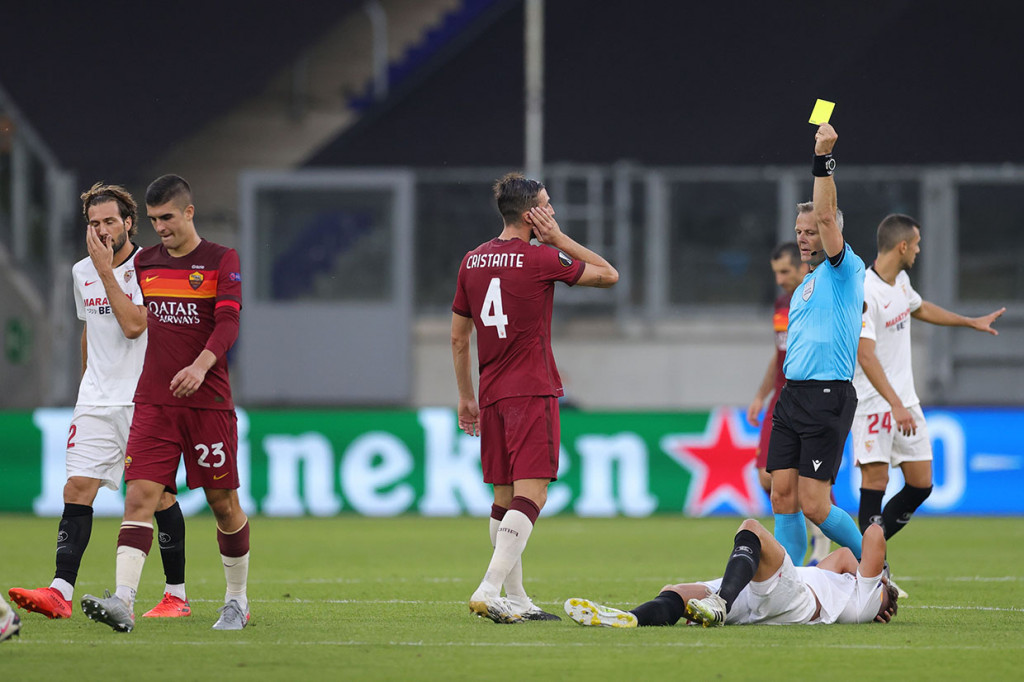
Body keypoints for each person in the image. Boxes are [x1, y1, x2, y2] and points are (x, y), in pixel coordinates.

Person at [8, 184, 190, 621]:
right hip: (97, 398)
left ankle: (175, 595)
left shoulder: (155, 268)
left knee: (158, 497)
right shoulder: (79, 272)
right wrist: (87, 382)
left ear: (130, 223)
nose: (103, 230)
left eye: (110, 221)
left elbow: (132, 327)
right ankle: (60, 590)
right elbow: (92, 327)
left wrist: (107, 271)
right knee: (77, 489)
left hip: (145, 399)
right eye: (94, 223)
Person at [81, 174, 248, 633]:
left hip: (207, 400)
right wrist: (105, 274)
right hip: (154, 401)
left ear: (189, 212)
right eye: (153, 220)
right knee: (140, 497)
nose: (161, 228)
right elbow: (133, 322)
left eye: (168, 218)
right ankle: (123, 601)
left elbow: (229, 322)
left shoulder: (220, 259)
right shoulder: (145, 263)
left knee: (222, 503)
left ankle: (236, 600)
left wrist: (200, 366)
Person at [452, 172, 619, 624]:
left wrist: (466, 397)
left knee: (503, 498)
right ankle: (488, 588)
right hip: (532, 388)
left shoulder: (471, 261)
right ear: (531, 215)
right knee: (534, 494)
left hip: (490, 394)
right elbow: (609, 275)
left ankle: (518, 598)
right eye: (547, 205)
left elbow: (459, 338)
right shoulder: (541, 258)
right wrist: (560, 237)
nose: (552, 210)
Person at [852, 214, 1005, 547]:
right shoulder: (865, 290)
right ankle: (866, 570)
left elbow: (919, 308)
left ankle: (864, 557)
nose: (919, 250)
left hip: (905, 401)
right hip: (875, 403)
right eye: (917, 244)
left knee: (921, 484)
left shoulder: (901, 282)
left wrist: (969, 322)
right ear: (903, 245)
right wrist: (894, 404)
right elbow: (865, 355)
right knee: (876, 482)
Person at [767, 123, 866, 566]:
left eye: (810, 231)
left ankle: (875, 568)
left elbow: (828, 216)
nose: (803, 237)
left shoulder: (845, 272)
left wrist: (822, 159)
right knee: (781, 494)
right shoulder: (804, 286)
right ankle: (787, 586)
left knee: (815, 504)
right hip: (793, 397)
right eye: (799, 232)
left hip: (828, 395)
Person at [565, 518, 897, 628]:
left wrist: (884, 578)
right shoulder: (841, 586)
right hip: (764, 599)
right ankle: (631, 619)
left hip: (790, 597)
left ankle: (721, 601)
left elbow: (873, 536)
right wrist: (858, 573)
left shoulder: (864, 601)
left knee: (751, 528)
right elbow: (841, 556)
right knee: (677, 593)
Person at [746, 243, 829, 565]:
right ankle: (809, 540)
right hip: (780, 396)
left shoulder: (819, 300)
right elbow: (778, 354)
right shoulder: (782, 303)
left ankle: (821, 546)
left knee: (808, 476)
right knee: (767, 476)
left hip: (809, 396)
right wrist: (760, 395)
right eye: (775, 273)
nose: (779, 279)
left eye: (784, 271)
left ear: (801, 267)